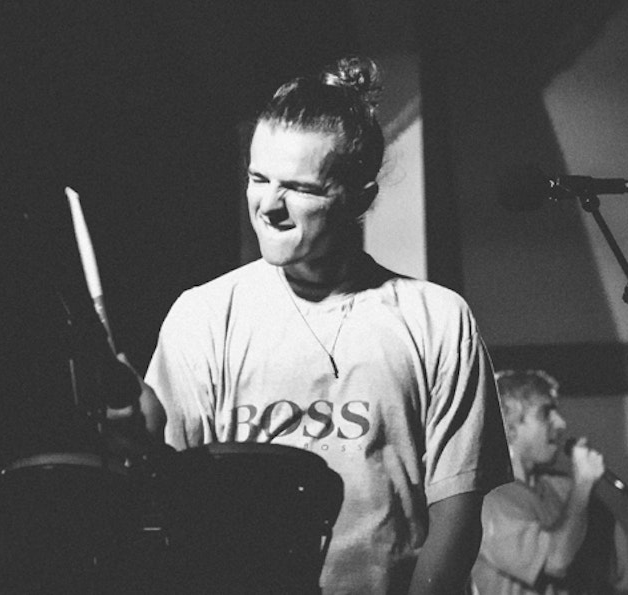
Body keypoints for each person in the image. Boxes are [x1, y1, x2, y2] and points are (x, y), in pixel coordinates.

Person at [110, 56, 512, 594]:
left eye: (298, 188)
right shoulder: (203, 314)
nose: (268, 206)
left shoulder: (437, 319)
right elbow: (172, 496)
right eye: (257, 178)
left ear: (359, 197)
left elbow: (457, 519)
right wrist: (137, 432)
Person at [471, 369, 628, 595]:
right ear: (508, 427)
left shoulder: (563, 490)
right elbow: (556, 561)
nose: (561, 423)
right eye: (546, 412)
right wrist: (582, 484)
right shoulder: (487, 502)